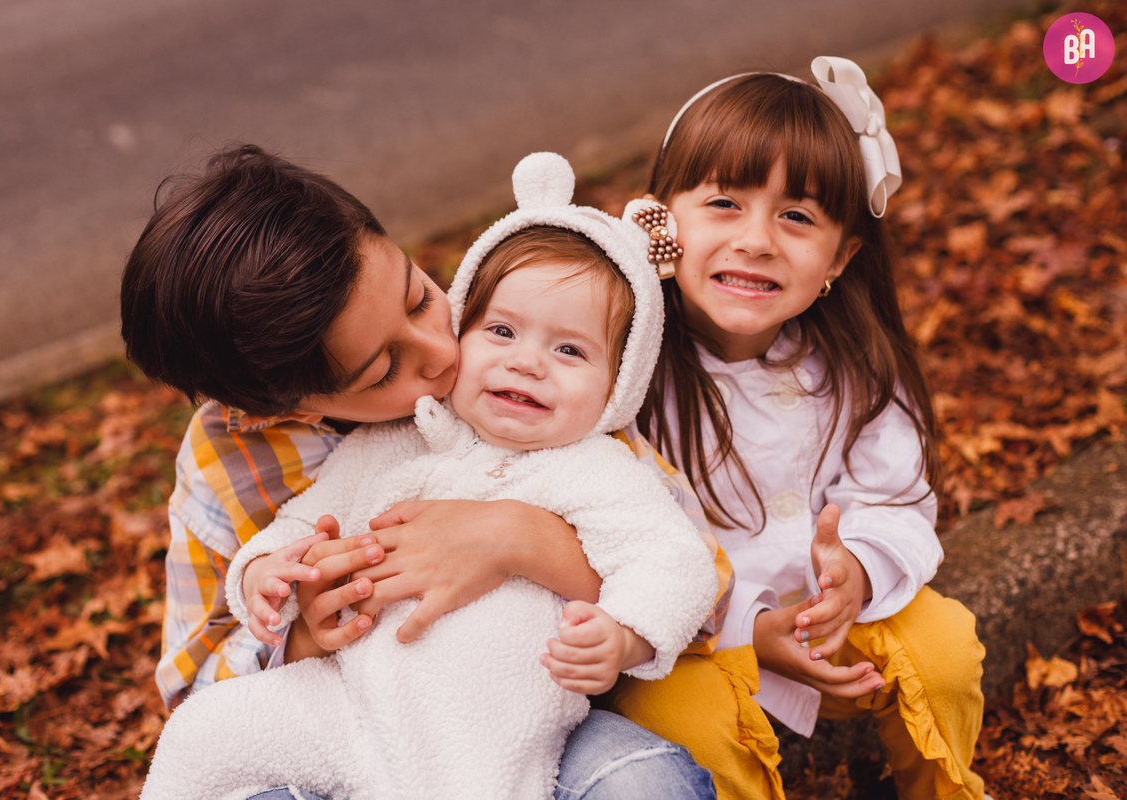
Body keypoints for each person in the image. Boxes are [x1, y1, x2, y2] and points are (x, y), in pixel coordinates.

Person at [120, 146, 730, 799]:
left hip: (523, 725)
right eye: (384, 371)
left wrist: (519, 542)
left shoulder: (510, 344)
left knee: (643, 784)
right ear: (280, 408)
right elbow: (193, 682)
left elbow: (697, 580)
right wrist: (297, 631)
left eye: (418, 298)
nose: (443, 355)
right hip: (344, 717)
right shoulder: (228, 463)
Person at [599, 58, 988, 799]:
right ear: (659, 222)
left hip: (827, 622)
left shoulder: (854, 363)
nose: (757, 239)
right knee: (687, 724)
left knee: (942, 649)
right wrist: (746, 625)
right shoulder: (626, 370)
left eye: (797, 216)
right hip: (687, 637)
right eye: (724, 203)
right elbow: (621, 534)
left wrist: (859, 575)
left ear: (840, 257)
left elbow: (894, 497)